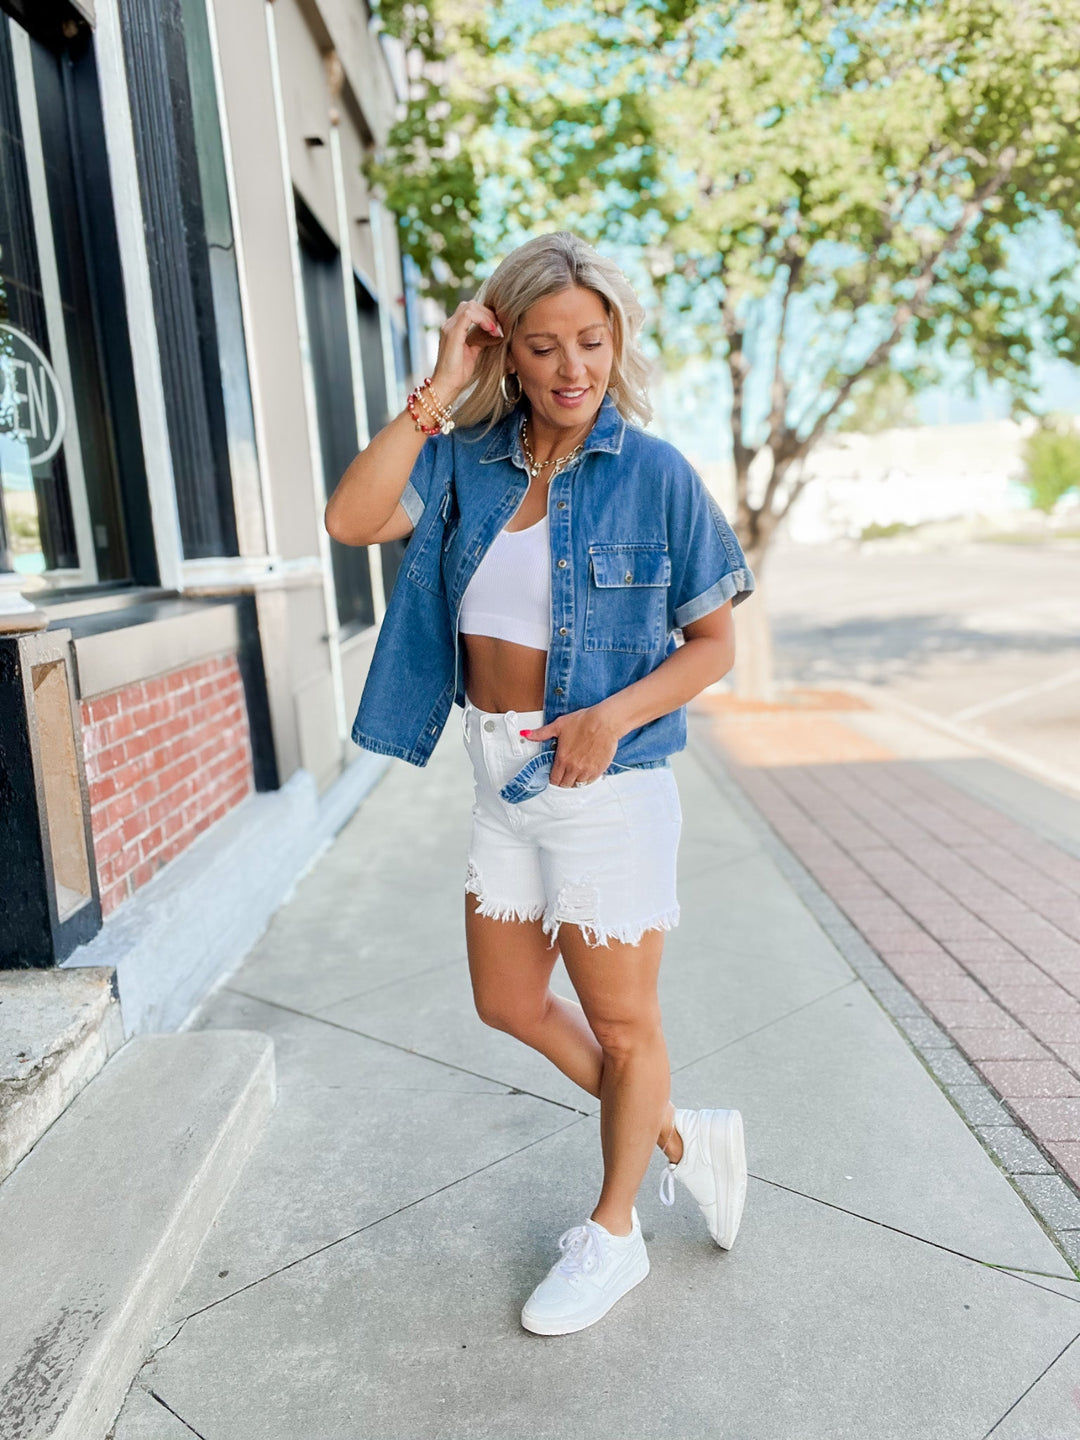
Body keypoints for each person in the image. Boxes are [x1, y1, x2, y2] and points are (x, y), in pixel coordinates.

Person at [325, 231, 755, 1336]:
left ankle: (614, 1238)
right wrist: (436, 389)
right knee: (507, 1001)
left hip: (606, 781)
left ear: (618, 344)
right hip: (496, 769)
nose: (573, 369)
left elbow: (713, 645)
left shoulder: (653, 472)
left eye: (593, 343)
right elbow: (352, 520)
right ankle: (676, 1134)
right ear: (505, 349)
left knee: (624, 1027)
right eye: (546, 345)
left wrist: (615, 714)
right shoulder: (468, 460)